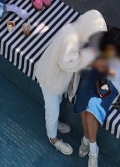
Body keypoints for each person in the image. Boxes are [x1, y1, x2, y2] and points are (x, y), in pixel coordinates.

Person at [34, 9, 105, 155]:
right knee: (52, 110)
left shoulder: (73, 30)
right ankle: (53, 138)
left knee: (56, 103)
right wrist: (86, 58)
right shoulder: (72, 39)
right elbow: (65, 64)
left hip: (51, 75)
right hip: (50, 80)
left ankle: (54, 124)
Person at [75, 28, 120, 167]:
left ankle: (92, 149)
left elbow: (108, 74)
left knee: (91, 111)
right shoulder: (104, 45)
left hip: (109, 83)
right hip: (95, 76)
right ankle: (86, 139)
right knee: (83, 108)